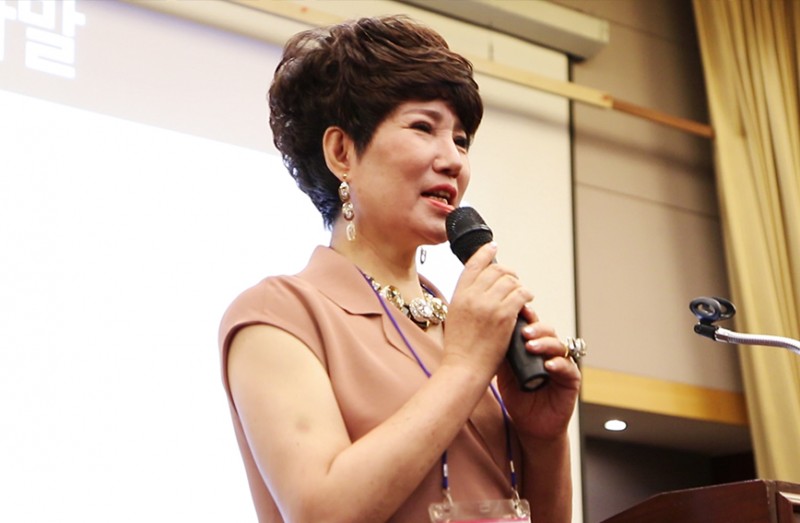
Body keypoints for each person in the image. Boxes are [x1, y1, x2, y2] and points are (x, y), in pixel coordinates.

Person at [218, 15, 582, 523]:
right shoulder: (279, 314)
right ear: (342, 152)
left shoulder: (462, 325)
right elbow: (320, 512)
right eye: (423, 128)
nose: (453, 160)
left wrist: (544, 439)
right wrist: (464, 368)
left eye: (461, 140)